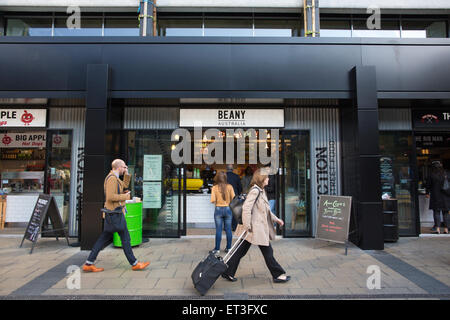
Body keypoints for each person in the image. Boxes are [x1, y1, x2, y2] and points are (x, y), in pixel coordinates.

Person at [221, 168, 290, 283]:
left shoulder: (261, 191)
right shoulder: (255, 191)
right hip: (253, 228)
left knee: (240, 252)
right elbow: (246, 208)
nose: (268, 179)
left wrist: (277, 220)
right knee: (268, 252)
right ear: (262, 178)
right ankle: (278, 275)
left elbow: (266, 210)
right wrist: (248, 226)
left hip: (255, 228)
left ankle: (228, 272)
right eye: (267, 177)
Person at [82, 159, 150, 272]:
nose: (125, 169)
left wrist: (127, 175)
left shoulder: (115, 178)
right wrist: (125, 197)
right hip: (114, 214)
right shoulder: (111, 179)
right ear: (118, 167)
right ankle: (134, 263)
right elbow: (110, 197)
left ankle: (89, 263)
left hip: (114, 214)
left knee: (108, 238)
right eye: (124, 167)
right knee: (124, 238)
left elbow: (123, 185)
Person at [210, 171, 235, 254]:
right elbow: (233, 198)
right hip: (228, 209)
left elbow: (213, 200)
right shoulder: (230, 187)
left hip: (218, 209)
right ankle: (228, 248)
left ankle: (217, 249)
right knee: (228, 229)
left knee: (218, 230)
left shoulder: (214, 188)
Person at [425, 160, 449, 234]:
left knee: (436, 212)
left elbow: (428, 185)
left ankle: (438, 229)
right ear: (440, 166)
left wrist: (427, 193)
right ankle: (446, 229)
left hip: (435, 196)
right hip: (445, 196)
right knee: (446, 213)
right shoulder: (446, 174)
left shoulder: (431, 175)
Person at [226, 164, 243, 231]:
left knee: (227, 211)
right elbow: (240, 187)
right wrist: (238, 194)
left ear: (226, 169)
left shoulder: (223, 176)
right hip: (234, 196)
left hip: (226, 196)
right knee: (234, 211)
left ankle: (227, 227)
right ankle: (234, 227)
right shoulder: (236, 176)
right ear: (232, 169)